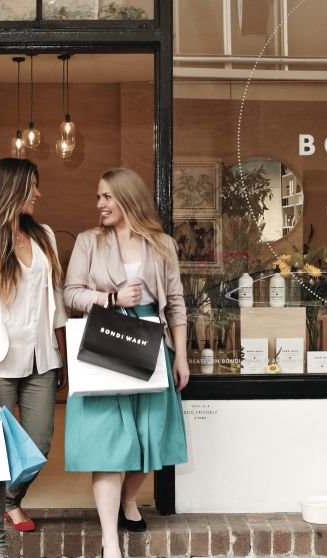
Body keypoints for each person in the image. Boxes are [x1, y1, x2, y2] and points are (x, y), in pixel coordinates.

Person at [63, 167, 189, 558]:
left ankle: (128, 499)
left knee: (149, 438)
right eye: (98, 197)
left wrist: (180, 356)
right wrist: (110, 299)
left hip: (153, 345)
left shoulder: (162, 244)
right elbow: (70, 294)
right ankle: (110, 542)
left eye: (106, 197)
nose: (99, 204)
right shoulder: (88, 241)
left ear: (127, 199)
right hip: (107, 342)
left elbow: (178, 302)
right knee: (107, 444)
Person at [0, 158, 68, 558]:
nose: (38, 194)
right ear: (13, 189)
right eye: (32, 186)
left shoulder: (45, 237)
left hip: (43, 358)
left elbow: (55, 300)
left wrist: (63, 352)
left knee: (39, 441)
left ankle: (10, 499)